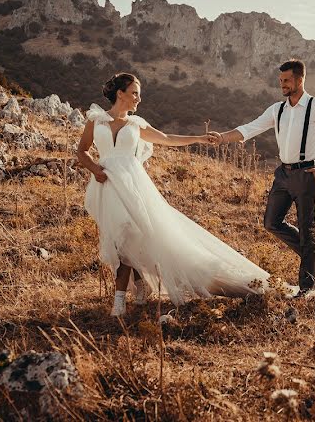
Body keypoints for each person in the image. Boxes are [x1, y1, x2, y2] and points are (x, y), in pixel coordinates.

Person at [77, 73, 272, 316]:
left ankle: (121, 301)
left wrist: (199, 138)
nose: (139, 98)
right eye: (135, 93)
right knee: (123, 235)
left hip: (134, 185)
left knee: (131, 234)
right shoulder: (96, 121)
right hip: (107, 184)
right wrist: (95, 169)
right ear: (121, 94)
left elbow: (168, 139)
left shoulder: (137, 124)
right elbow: (82, 151)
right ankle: (138, 288)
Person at [213, 59, 315, 296]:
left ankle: (306, 288)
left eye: (287, 80)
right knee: (271, 222)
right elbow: (250, 128)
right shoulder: (277, 109)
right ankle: (314, 254)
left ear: (300, 80)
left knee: (307, 229)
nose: (282, 85)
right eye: (280, 81)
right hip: (282, 174)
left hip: (306, 174)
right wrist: (221, 138)